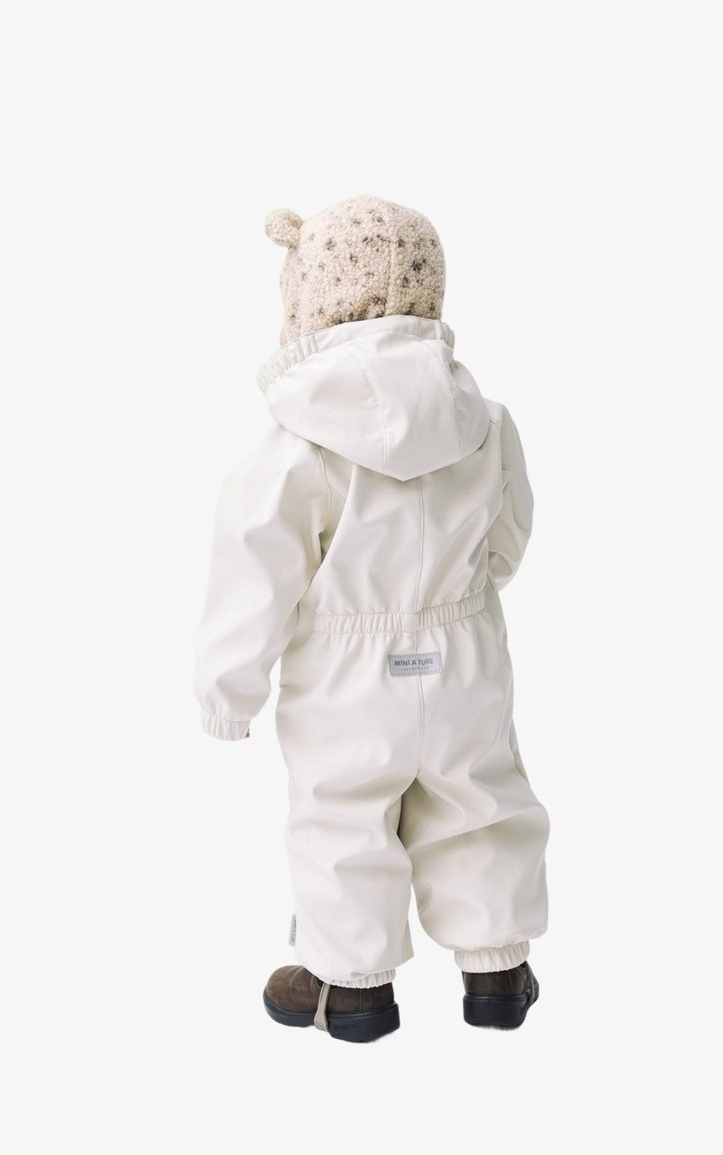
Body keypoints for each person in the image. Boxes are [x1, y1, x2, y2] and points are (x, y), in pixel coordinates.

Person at [192, 194, 550, 1043]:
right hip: (464, 650)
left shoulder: (295, 443)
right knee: (479, 799)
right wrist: (466, 592)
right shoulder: (484, 421)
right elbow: (510, 534)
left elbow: (254, 572)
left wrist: (227, 691)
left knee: (342, 811)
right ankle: (497, 970)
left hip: (345, 672)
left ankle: (353, 989)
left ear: (309, 301)